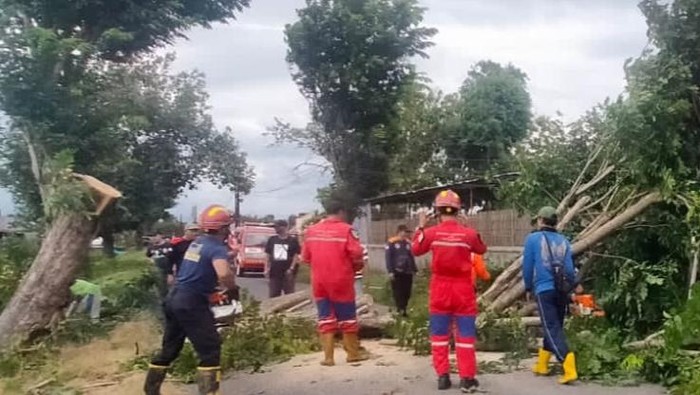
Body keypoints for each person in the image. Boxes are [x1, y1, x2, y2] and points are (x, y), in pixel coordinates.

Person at [145, 204, 237, 395]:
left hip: (174, 298)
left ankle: (150, 390)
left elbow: (202, 264)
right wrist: (231, 287)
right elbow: (223, 273)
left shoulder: (198, 243)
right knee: (210, 349)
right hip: (191, 303)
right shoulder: (217, 248)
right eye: (227, 226)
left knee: (170, 348)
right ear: (223, 228)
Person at [411, 189, 487, 393]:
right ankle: (467, 378)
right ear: (458, 210)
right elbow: (481, 248)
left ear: (436, 211)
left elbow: (416, 249)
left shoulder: (431, 233)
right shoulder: (467, 234)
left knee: (439, 336)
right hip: (463, 290)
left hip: (440, 290)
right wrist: (467, 226)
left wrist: (420, 226)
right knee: (465, 337)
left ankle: (443, 377)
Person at [302, 199, 369, 366]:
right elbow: (357, 255)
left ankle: (328, 358)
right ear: (341, 212)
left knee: (325, 317)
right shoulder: (347, 230)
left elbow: (305, 258)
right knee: (347, 318)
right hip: (341, 280)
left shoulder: (311, 231)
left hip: (319, 282)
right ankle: (352, 354)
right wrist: (356, 269)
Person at [524, 206, 578, 385]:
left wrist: (528, 287)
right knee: (554, 326)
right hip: (561, 291)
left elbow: (527, 266)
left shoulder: (533, 239)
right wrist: (571, 288)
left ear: (540, 220)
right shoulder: (564, 241)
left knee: (551, 327)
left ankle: (568, 365)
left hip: (544, 289)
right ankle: (542, 364)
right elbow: (570, 271)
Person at [385, 225, 417, 317]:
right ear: (399, 231)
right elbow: (388, 258)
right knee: (398, 291)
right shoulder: (392, 242)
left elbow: (411, 256)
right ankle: (400, 309)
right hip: (396, 271)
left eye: (407, 232)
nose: (406, 234)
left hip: (407, 271)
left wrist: (414, 269)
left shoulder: (407, 243)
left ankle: (404, 308)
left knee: (407, 291)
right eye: (405, 232)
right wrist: (390, 271)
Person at [264, 219, 301, 298]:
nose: (275, 229)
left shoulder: (292, 240)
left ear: (284, 227)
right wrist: (266, 268)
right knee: (273, 294)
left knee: (289, 294)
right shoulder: (272, 240)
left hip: (287, 272)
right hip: (274, 272)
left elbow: (296, 255)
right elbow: (267, 255)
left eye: (277, 227)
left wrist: (291, 268)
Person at [146, 233, 173, 300]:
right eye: (151, 236)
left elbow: (173, 258)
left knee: (172, 289)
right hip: (157, 271)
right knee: (161, 291)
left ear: (160, 235)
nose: (153, 238)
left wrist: (171, 272)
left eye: (155, 236)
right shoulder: (150, 247)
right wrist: (150, 260)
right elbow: (148, 256)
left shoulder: (168, 245)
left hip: (169, 270)